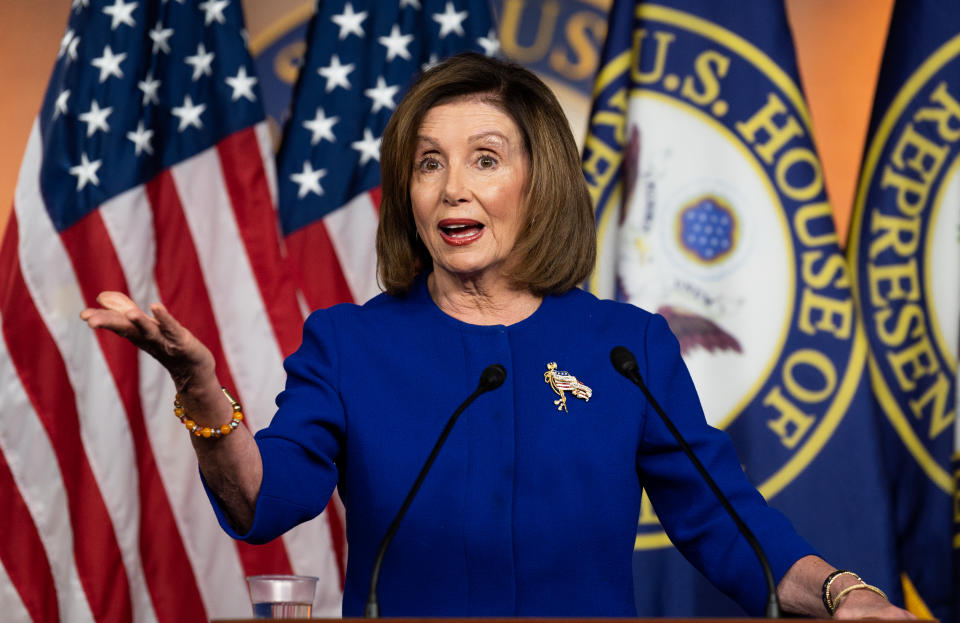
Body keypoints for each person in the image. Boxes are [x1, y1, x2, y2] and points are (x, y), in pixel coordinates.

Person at [82, 53, 914, 619]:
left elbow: (728, 522)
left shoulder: (626, 348)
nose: (452, 187)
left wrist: (843, 591)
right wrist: (199, 391)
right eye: (427, 161)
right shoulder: (347, 346)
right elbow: (261, 500)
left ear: (537, 180)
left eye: (484, 157)